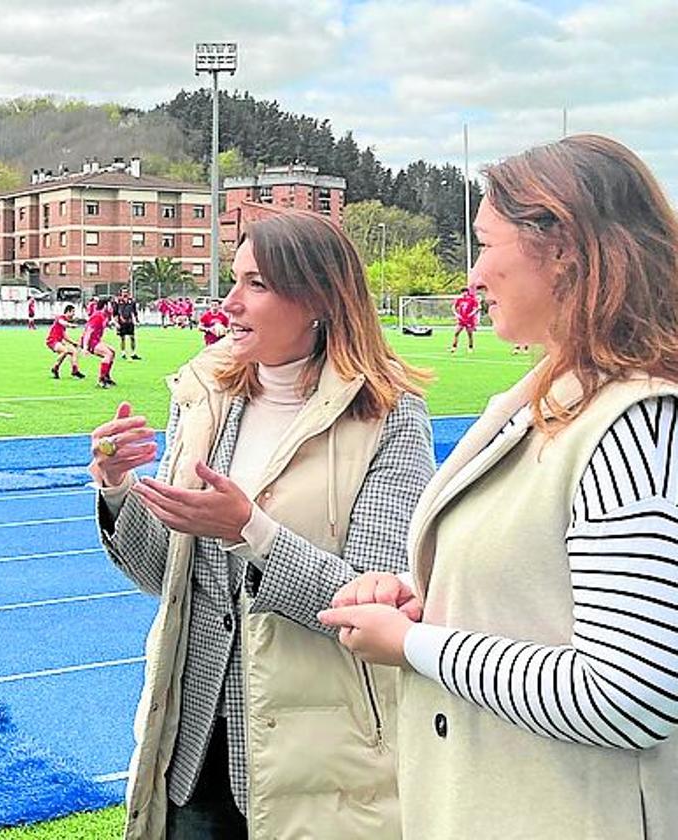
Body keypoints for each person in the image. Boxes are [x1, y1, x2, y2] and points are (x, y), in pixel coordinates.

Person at [319, 135, 678, 839]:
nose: (474, 275)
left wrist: (416, 646)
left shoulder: (633, 423)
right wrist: (432, 598)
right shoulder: (562, 395)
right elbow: (549, 592)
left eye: (485, 244)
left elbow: (633, 693)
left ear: (564, 247)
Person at [90, 209, 434, 838]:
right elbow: (163, 576)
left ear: (317, 300)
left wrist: (252, 529)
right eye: (235, 280)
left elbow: (371, 600)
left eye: (256, 285)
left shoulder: (389, 415)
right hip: (192, 752)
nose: (229, 303)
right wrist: (119, 487)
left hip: (319, 762)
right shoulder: (203, 400)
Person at [82, 297, 117, 388]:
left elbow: (103, 324)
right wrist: (85, 347)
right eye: (110, 304)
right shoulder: (97, 315)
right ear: (105, 305)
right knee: (108, 354)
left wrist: (111, 324)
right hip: (90, 341)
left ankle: (106, 376)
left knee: (113, 351)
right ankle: (101, 380)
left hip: (96, 340)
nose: (112, 307)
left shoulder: (104, 315)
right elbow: (88, 331)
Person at [46, 303, 85, 379]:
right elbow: (62, 322)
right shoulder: (61, 318)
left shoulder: (64, 321)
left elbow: (64, 335)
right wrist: (70, 325)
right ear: (68, 311)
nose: (74, 314)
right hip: (52, 341)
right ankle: (55, 368)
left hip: (58, 341)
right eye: (73, 312)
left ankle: (75, 371)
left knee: (73, 351)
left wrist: (74, 343)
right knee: (65, 351)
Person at [450, 285, 480, 353]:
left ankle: (470, 347)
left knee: (469, 334)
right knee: (456, 333)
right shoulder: (459, 300)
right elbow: (453, 307)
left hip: (469, 320)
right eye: (463, 292)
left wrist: (472, 314)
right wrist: (457, 315)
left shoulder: (472, 300)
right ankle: (454, 347)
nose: (464, 293)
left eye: (465, 292)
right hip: (461, 320)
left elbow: (477, 308)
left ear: (467, 292)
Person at [114, 288, 142, 360]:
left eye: (126, 292)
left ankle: (133, 353)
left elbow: (134, 312)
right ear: (121, 293)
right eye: (123, 292)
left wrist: (137, 320)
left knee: (132, 337)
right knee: (122, 338)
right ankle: (123, 353)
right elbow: (115, 313)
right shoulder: (118, 301)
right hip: (121, 322)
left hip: (129, 322)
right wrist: (116, 323)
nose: (125, 293)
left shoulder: (131, 301)